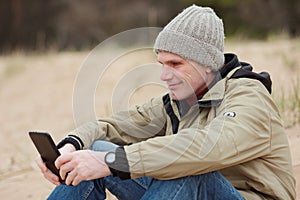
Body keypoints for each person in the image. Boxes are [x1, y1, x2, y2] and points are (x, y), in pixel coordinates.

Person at [36, 5, 296, 200]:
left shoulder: (248, 95)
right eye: (162, 64)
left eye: (175, 64)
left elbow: (206, 149)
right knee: (93, 150)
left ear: (208, 64)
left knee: (185, 168)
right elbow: (111, 126)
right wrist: (71, 147)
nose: (164, 75)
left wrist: (110, 161)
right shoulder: (179, 101)